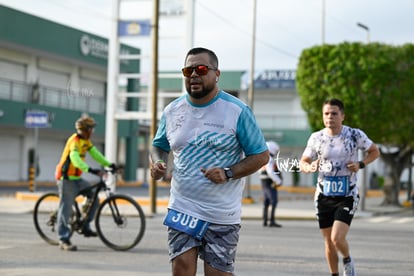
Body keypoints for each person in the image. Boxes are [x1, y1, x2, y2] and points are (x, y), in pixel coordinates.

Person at [150, 47, 269, 276]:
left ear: (217, 74)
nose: (194, 75)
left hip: (222, 212)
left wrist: (228, 172)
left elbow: (260, 155)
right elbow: (159, 146)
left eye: (201, 69)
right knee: (182, 269)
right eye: (188, 70)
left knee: (216, 274)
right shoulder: (172, 111)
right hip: (183, 205)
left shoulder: (237, 111)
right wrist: (156, 163)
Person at [300, 98, 380, 276]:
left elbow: (374, 151)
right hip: (323, 195)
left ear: (342, 116)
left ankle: (347, 259)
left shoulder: (354, 135)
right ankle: (334, 274)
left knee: (337, 237)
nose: (330, 117)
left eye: (334, 113)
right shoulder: (316, 137)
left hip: (347, 194)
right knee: (328, 241)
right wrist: (310, 167)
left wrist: (361, 164)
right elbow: (303, 161)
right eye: (326, 113)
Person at [55, 116, 116, 251]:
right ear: (86, 130)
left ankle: (86, 225)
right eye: (91, 129)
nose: (93, 131)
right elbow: (75, 159)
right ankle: (63, 239)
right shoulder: (74, 141)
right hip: (66, 179)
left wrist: (109, 164)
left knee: (94, 198)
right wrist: (90, 170)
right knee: (66, 208)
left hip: (77, 179)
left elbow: (96, 154)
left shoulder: (86, 141)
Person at [260, 141, 283, 227]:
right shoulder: (269, 158)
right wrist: (278, 181)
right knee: (273, 201)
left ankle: (265, 220)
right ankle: (271, 221)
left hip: (264, 181)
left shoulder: (263, 158)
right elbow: (270, 172)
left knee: (266, 200)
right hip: (269, 182)